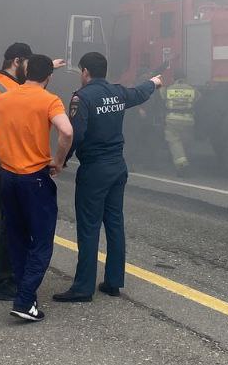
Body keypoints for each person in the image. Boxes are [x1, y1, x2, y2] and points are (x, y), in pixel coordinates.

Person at [52, 51, 163, 303]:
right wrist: (155, 82)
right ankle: (113, 282)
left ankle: (82, 288)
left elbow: (75, 134)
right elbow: (140, 92)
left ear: (85, 72)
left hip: (95, 170)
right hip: (117, 167)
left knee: (89, 228)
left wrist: (61, 160)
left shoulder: (82, 97)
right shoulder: (118, 92)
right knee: (114, 224)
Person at [0, 54, 73, 322]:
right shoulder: (50, 100)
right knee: (41, 241)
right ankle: (25, 299)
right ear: (49, 77)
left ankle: (22, 291)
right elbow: (66, 131)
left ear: (26, 71)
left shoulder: (5, 98)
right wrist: (58, 161)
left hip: (8, 177)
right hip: (35, 179)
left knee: (16, 237)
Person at [0, 42, 32, 300]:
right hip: (4, 159)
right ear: (17, 61)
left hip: (7, 157)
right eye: (28, 64)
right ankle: (1, 281)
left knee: (12, 217)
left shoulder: (3, 81)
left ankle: (8, 275)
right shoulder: (3, 86)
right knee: (9, 219)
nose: (29, 69)